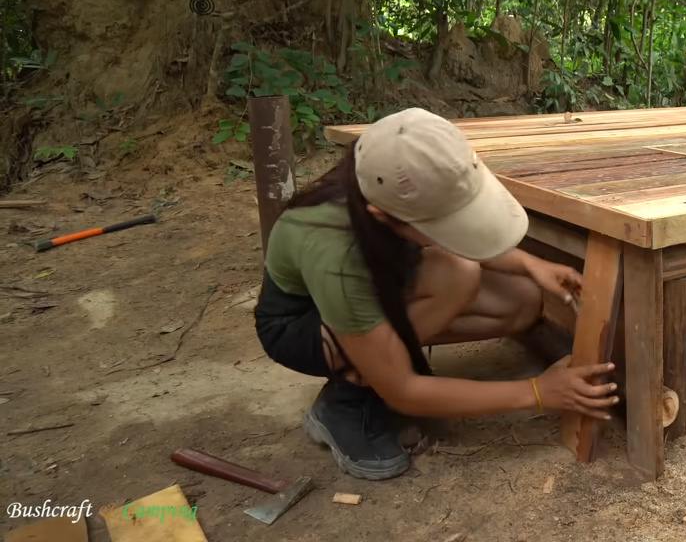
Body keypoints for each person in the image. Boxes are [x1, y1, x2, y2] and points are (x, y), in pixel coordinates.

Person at [253, 107, 619, 480]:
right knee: (456, 274)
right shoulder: (336, 252)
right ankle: (347, 400)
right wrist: (538, 392)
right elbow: (405, 391)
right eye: (442, 226)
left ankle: (381, 361)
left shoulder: (392, 174)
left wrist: (530, 265)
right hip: (302, 327)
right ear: (384, 217)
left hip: (365, 290)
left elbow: (462, 241)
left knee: (519, 300)